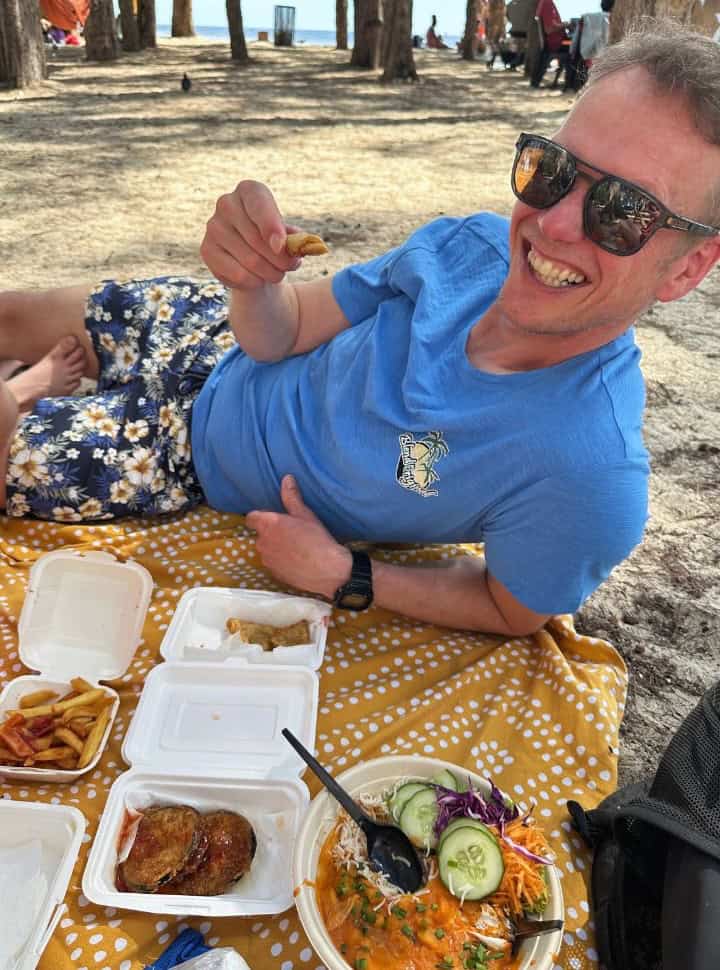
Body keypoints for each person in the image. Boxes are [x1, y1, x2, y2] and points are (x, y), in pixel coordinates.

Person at [1, 21, 719, 637]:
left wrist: (348, 576)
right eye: (554, 170)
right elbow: (280, 334)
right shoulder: (466, 247)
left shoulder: (587, 472)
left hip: (180, 459)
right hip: (205, 333)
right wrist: (253, 282)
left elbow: (509, 608)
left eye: (624, 212)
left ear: (688, 270)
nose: (553, 223)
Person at [531, 0, 568, 86]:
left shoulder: (545, 2)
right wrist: (565, 25)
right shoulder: (547, 3)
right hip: (555, 42)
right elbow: (549, 29)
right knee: (578, 50)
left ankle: (568, 82)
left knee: (576, 46)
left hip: (555, 41)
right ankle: (572, 84)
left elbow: (552, 25)